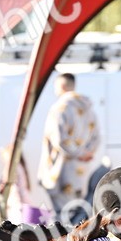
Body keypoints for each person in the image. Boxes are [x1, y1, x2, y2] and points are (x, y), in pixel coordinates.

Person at [38, 73, 102, 224]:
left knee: (62, 215)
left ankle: (64, 238)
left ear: (61, 86)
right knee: (76, 212)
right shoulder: (89, 109)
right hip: (81, 170)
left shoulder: (60, 108)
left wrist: (77, 153)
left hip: (60, 170)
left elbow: (58, 139)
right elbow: (97, 137)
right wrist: (86, 153)